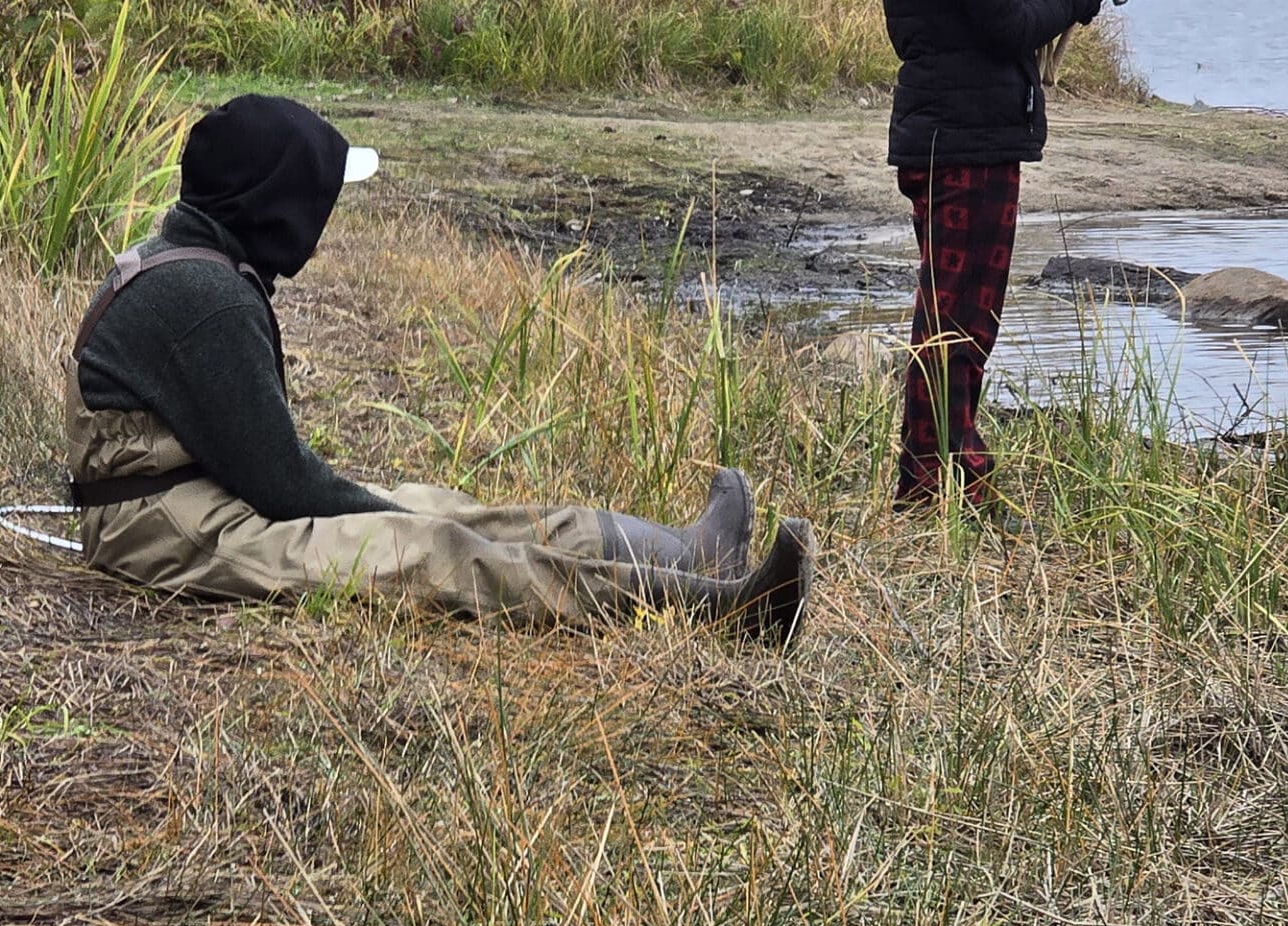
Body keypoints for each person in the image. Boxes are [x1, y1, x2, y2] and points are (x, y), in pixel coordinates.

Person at [65, 93, 813, 638]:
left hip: (188, 502)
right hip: (163, 530)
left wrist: (403, 506)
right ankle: (719, 611)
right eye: (316, 199)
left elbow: (268, 471)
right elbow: (283, 486)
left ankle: (690, 552)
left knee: (448, 509)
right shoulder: (203, 296)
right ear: (273, 205)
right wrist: (396, 519)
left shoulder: (196, 267)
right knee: (434, 550)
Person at [863, 0, 1115, 511]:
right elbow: (1011, 25)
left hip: (940, 137)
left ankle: (929, 479)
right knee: (962, 321)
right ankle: (941, 483)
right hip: (968, 145)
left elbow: (964, 26)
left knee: (946, 316)